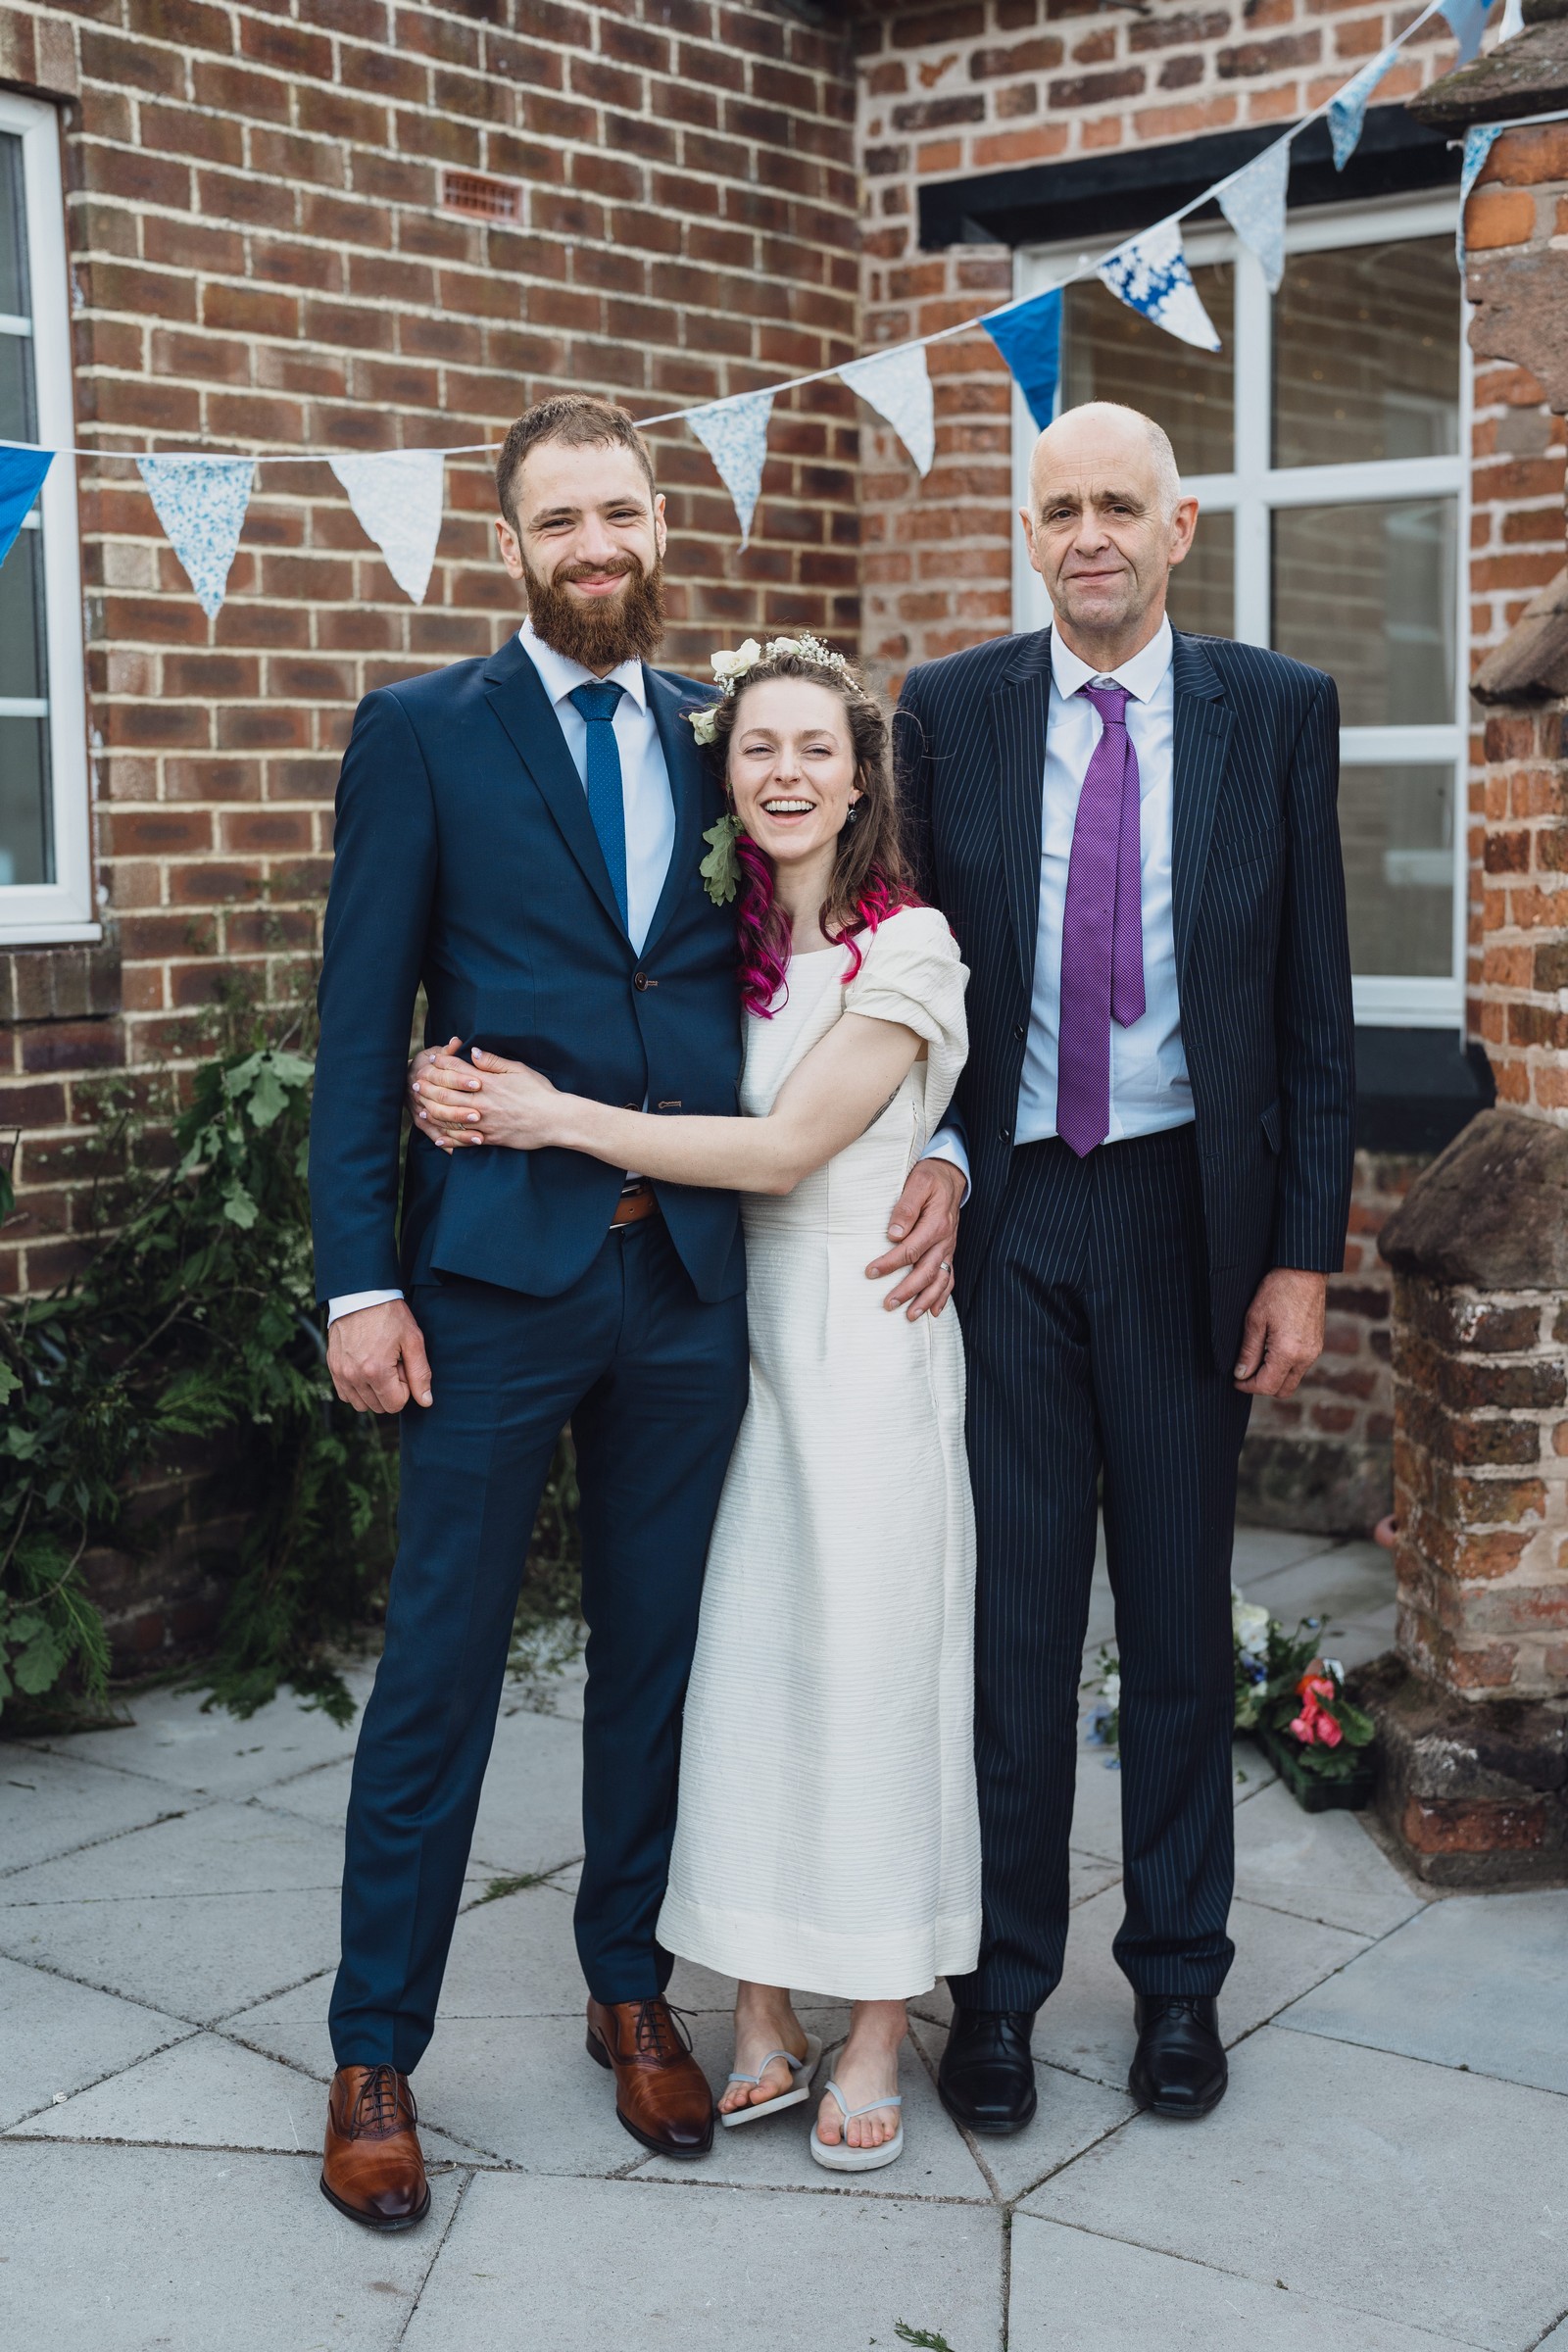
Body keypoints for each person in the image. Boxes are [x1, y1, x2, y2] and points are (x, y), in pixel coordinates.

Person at [410, 637, 981, 2173]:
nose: (786, 774)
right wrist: (443, 1079)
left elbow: (786, 1152)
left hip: (861, 1335)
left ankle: (878, 2022)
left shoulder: (910, 945)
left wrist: (552, 1116)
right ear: (725, 776)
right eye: (757, 749)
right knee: (741, 1672)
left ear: (861, 779)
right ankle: (763, 2005)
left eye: (816, 749)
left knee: (871, 1675)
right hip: (729, 1328)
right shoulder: (728, 941)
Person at [890, 401, 1355, 2132]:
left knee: (1171, 1628)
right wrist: (929, 1157)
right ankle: (1000, 1992)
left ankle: (1177, 1984)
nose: (1086, 532)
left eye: (1117, 504)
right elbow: (904, 970)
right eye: (1057, 506)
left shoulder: (1276, 712)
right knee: (1013, 1631)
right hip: (1012, 1215)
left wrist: (1300, 1257)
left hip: (1184, 1220)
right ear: (1030, 533)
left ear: (1178, 529)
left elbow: (1315, 1011)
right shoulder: (949, 714)